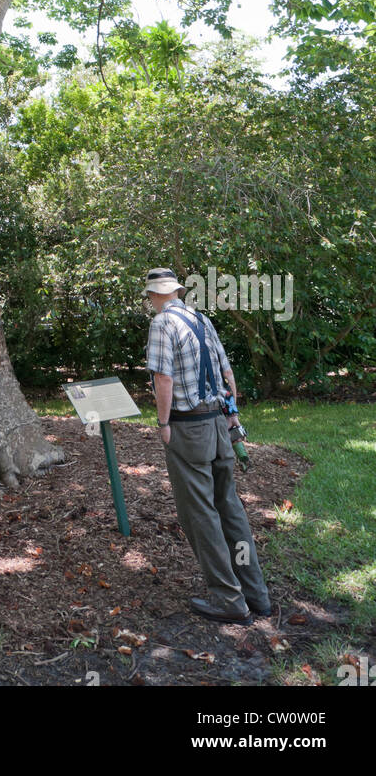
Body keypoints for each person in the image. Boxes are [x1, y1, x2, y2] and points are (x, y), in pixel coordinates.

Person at [144, 267, 273, 624]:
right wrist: (233, 418)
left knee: (200, 516)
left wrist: (163, 423)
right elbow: (227, 374)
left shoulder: (162, 324)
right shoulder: (202, 320)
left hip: (189, 429)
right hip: (219, 423)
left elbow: (163, 377)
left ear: (156, 295)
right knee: (231, 511)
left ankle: (228, 600)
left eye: (150, 296)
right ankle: (256, 593)